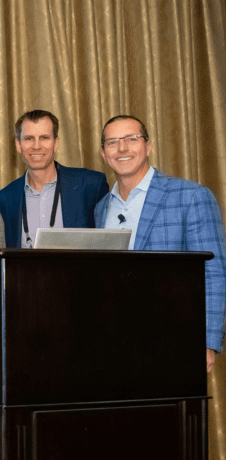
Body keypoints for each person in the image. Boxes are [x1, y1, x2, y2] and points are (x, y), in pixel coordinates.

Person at [95, 114, 226, 372]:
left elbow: (213, 272)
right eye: (112, 142)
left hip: (176, 341)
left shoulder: (190, 196)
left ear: (148, 146)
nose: (122, 148)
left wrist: (208, 341)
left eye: (132, 139)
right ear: (103, 153)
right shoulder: (102, 208)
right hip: (114, 346)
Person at [0, 110, 109, 248]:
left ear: (56, 143)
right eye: (29, 138)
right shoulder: (6, 198)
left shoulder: (90, 185)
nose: (36, 146)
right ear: (18, 145)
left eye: (44, 138)